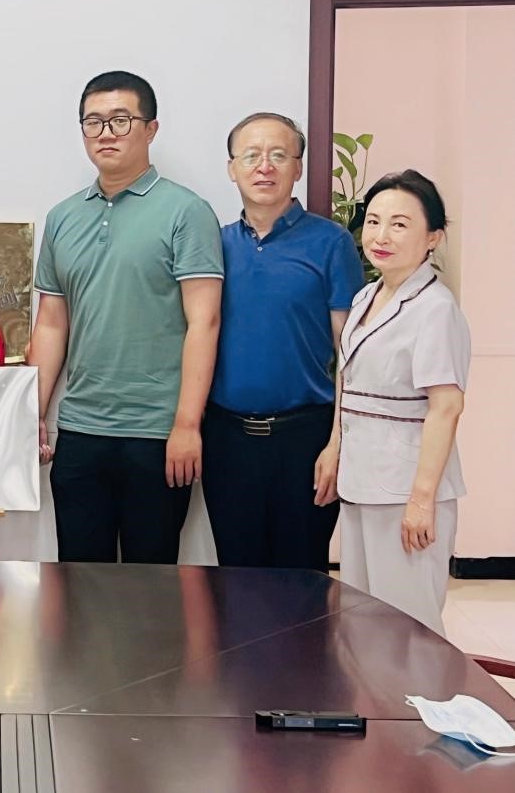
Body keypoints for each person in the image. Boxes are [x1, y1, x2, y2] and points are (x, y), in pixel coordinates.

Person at [29, 71, 223, 563]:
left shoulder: (186, 211)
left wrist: (187, 424)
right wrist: (32, 412)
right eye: (93, 122)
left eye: (121, 120)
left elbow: (204, 323)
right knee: (78, 580)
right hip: (80, 430)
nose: (106, 133)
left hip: (157, 433)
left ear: (151, 129)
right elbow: (52, 322)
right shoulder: (63, 217)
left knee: (151, 585)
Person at [203, 113, 364, 570]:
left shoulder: (331, 243)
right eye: (251, 155)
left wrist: (337, 444)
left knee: (303, 581)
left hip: (305, 439)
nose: (264, 166)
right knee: (235, 580)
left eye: (278, 155)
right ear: (231, 168)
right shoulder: (214, 245)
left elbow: (351, 353)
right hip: (227, 440)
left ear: (298, 167)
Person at [334, 170, 469, 637]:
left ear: (433, 237)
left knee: (408, 631)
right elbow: (349, 381)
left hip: (405, 492)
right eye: (373, 222)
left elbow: (446, 407)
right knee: (363, 623)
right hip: (362, 483)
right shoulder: (366, 296)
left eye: (399, 224)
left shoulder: (436, 309)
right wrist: (335, 450)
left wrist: (421, 501)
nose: (381, 236)